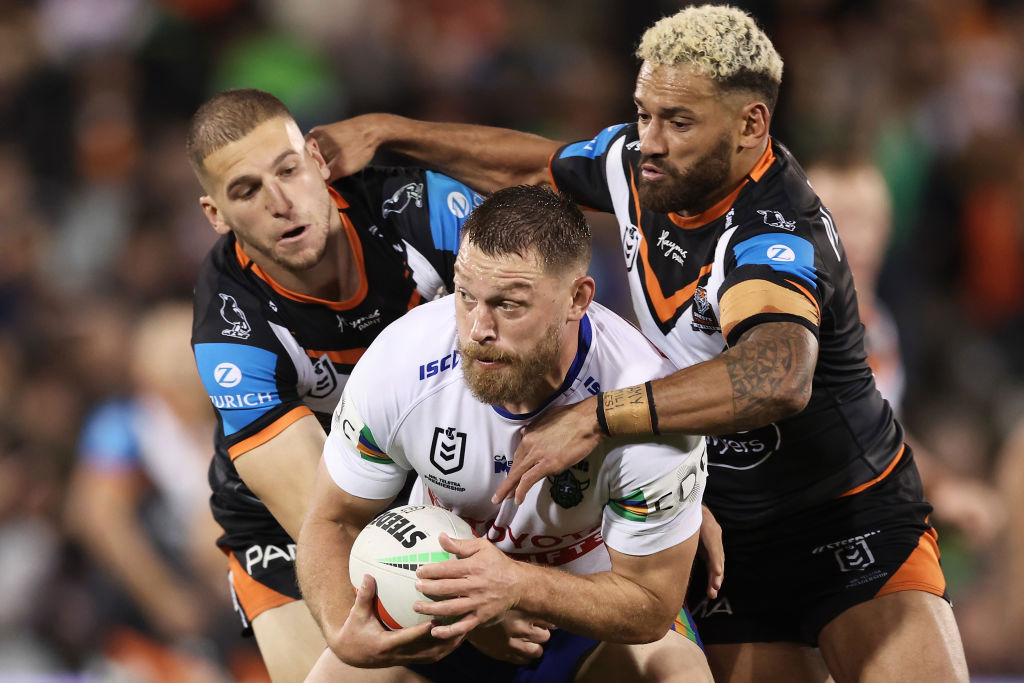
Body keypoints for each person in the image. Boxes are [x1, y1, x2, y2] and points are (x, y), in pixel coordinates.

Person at [309, 5, 970, 681]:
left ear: (750, 125)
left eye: (677, 121)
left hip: (842, 511)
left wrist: (596, 417)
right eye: (643, 111)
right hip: (730, 528)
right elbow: (537, 165)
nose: (648, 138)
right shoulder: (644, 167)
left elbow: (777, 374)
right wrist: (392, 133)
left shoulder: (771, 232)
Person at [296, 185, 711, 682]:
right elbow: (334, 520)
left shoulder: (648, 403)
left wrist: (512, 585)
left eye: (509, 305)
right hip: (435, 607)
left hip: (591, 607)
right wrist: (342, 628)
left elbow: (650, 604)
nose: (477, 330)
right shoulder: (401, 361)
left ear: (577, 299)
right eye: (466, 296)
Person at [187, 88, 482, 682]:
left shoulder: (423, 211)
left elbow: (560, 338)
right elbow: (322, 514)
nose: (280, 202)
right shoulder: (230, 329)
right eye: (246, 191)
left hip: (450, 461)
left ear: (319, 161)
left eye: (289, 170)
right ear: (216, 214)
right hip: (293, 519)